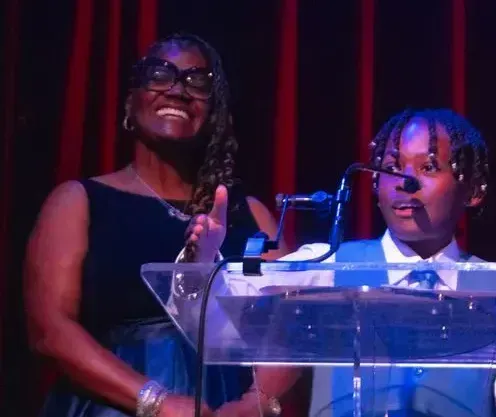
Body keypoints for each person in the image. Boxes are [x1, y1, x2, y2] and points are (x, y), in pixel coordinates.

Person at [193, 108, 496, 416]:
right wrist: (204, 261)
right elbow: (223, 324)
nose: (404, 181)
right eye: (392, 167)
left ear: (473, 189)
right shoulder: (325, 267)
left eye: (428, 167)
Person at [24, 32, 297, 417]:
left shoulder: (250, 214)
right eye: (159, 75)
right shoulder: (78, 201)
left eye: (197, 81)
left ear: (214, 111)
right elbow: (50, 330)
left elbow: (291, 329)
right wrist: (156, 401)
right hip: (112, 406)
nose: (178, 91)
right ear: (129, 103)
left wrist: (255, 402)